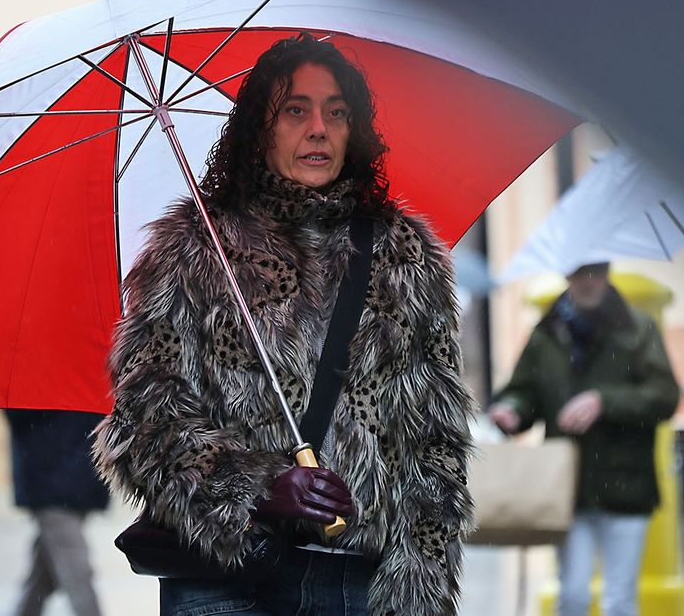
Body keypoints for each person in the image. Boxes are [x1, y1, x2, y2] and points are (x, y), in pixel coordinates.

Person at [94, 34, 472, 616]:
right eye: (296, 110)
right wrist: (259, 487)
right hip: (227, 580)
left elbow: (437, 444)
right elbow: (145, 422)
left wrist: (420, 584)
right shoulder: (195, 250)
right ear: (259, 129)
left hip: (359, 585)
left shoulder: (406, 256)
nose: (318, 128)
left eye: (337, 112)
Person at [488, 261, 679, 616]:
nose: (589, 282)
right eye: (580, 273)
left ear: (607, 274)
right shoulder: (546, 334)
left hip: (626, 482)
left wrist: (604, 400)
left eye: (596, 272)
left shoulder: (639, 328)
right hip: (567, 488)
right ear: (567, 276)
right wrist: (511, 411)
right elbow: (522, 392)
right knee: (572, 596)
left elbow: (664, 396)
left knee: (620, 601)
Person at [5, 409, 110, 616]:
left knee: (42, 578)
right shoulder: (31, 387)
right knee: (78, 574)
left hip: (75, 483)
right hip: (51, 486)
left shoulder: (88, 382)